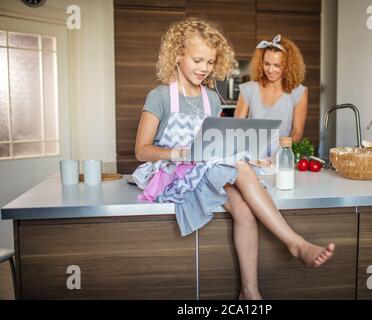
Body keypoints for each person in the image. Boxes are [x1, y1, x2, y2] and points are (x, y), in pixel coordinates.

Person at [132, 17, 335, 300]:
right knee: (237, 167)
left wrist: (249, 156)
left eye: (211, 62)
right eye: (198, 60)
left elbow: (216, 145)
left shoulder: (211, 99)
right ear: (178, 55)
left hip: (205, 166)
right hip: (172, 169)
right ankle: (295, 243)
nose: (205, 69)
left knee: (243, 209)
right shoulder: (160, 97)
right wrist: (179, 153)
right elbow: (141, 150)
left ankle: (249, 291)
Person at [235, 34, 308, 145]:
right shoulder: (248, 89)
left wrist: (277, 146)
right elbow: (237, 127)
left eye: (277, 65)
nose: (270, 70)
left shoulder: (299, 92)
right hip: (251, 152)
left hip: (280, 152)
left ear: (288, 65)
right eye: (267, 64)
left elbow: (297, 133)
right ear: (261, 63)